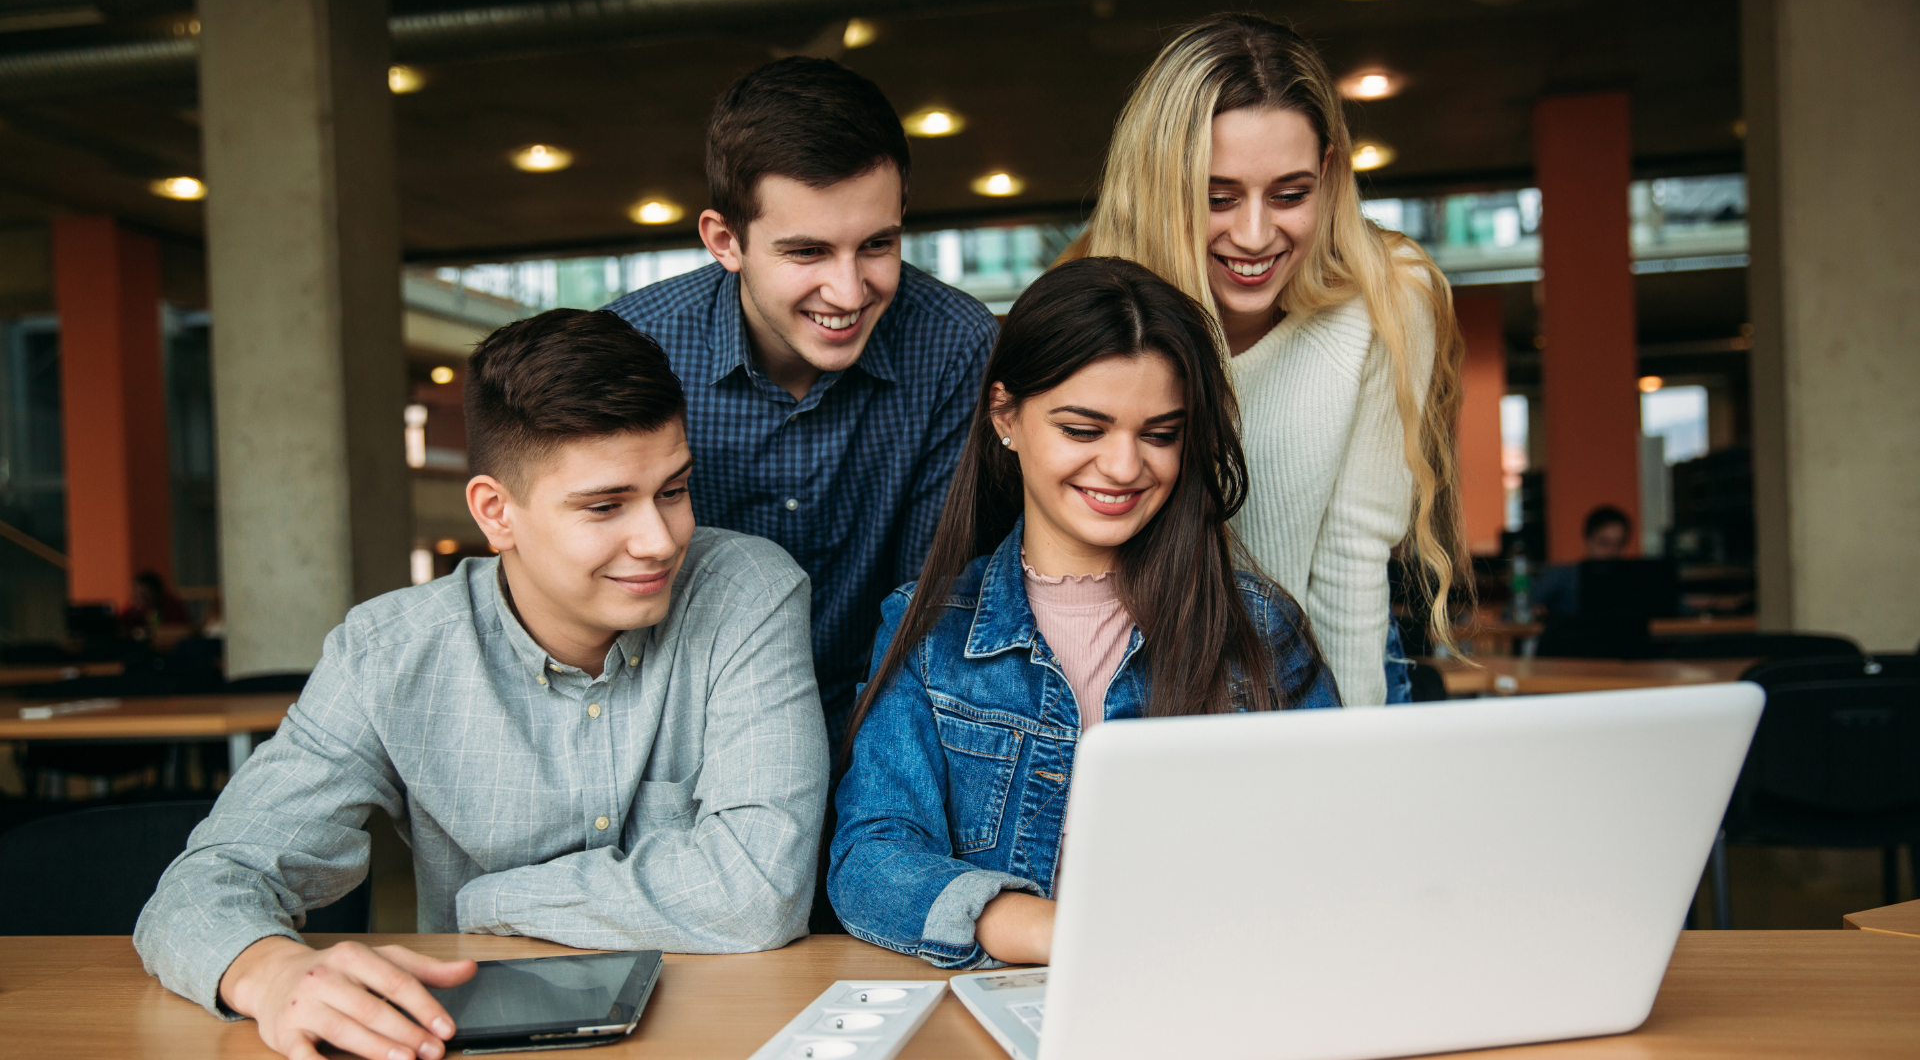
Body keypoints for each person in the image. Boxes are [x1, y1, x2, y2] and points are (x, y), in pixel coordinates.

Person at [135, 309, 828, 1060]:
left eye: (673, 489)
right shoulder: (388, 652)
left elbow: (759, 889)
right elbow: (209, 881)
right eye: (605, 506)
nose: (660, 540)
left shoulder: (747, 592)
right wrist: (269, 972)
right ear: (496, 513)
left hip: (719, 1035)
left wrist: (488, 899)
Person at [829, 258, 1337, 970]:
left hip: (1217, 990)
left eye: (1159, 434)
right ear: (1006, 416)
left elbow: (1335, 849)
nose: (1125, 467)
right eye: (1083, 429)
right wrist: (1044, 928)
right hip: (1018, 999)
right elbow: (870, 859)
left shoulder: (1259, 628)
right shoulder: (929, 629)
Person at [1059, 13, 1468, 705]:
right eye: (1217, 198)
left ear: (1328, 174)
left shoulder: (1389, 295)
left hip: (1330, 672)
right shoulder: (1101, 305)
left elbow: (1352, 564)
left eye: (1290, 194)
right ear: (1160, 184)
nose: (1254, 236)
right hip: (1149, 678)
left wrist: (1346, 752)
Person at [605, 57, 997, 747]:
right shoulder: (631, 347)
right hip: (678, 736)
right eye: (808, 252)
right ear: (725, 241)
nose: (848, 291)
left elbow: (932, 607)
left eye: (877, 245)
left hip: (881, 729)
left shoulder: (956, 345)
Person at [1533, 504, 1633, 621]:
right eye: (1604, 543)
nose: (1612, 551)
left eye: (1619, 544)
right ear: (1588, 541)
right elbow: (1526, 606)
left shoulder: (1631, 580)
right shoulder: (1563, 576)